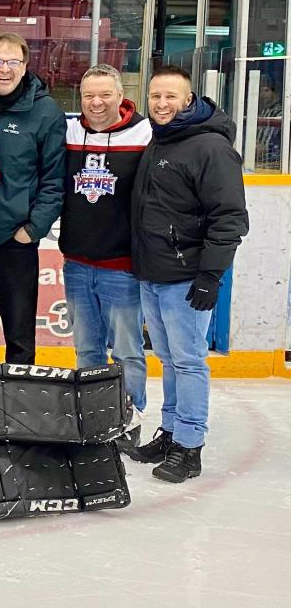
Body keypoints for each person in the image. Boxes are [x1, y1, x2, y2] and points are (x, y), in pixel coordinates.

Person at [128, 66, 248, 483]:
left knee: (190, 361)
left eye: (171, 97)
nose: (162, 104)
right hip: (152, 273)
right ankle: (171, 431)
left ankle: (190, 445)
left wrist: (210, 276)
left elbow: (230, 218)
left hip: (186, 277)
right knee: (168, 359)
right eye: (155, 96)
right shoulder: (157, 140)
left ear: (189, 98)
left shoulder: (210, 148)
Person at [59, 64, 152, 449]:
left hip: (122, 268)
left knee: (128, 350)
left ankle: (130, 421)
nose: (96, 103)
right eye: (88, 96)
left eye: (105, 95)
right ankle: (95, 423)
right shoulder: (69, 130)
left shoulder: (146, 133)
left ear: (120, 94)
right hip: (78, 264)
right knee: (87, 349)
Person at [0, 33, 66, 365]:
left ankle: (20, 407)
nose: (4, 69)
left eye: (13, 62)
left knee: (20, 337)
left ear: (24, 66)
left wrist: (33, 229)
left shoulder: (45, 111)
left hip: (13, 241)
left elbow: (54, 178)